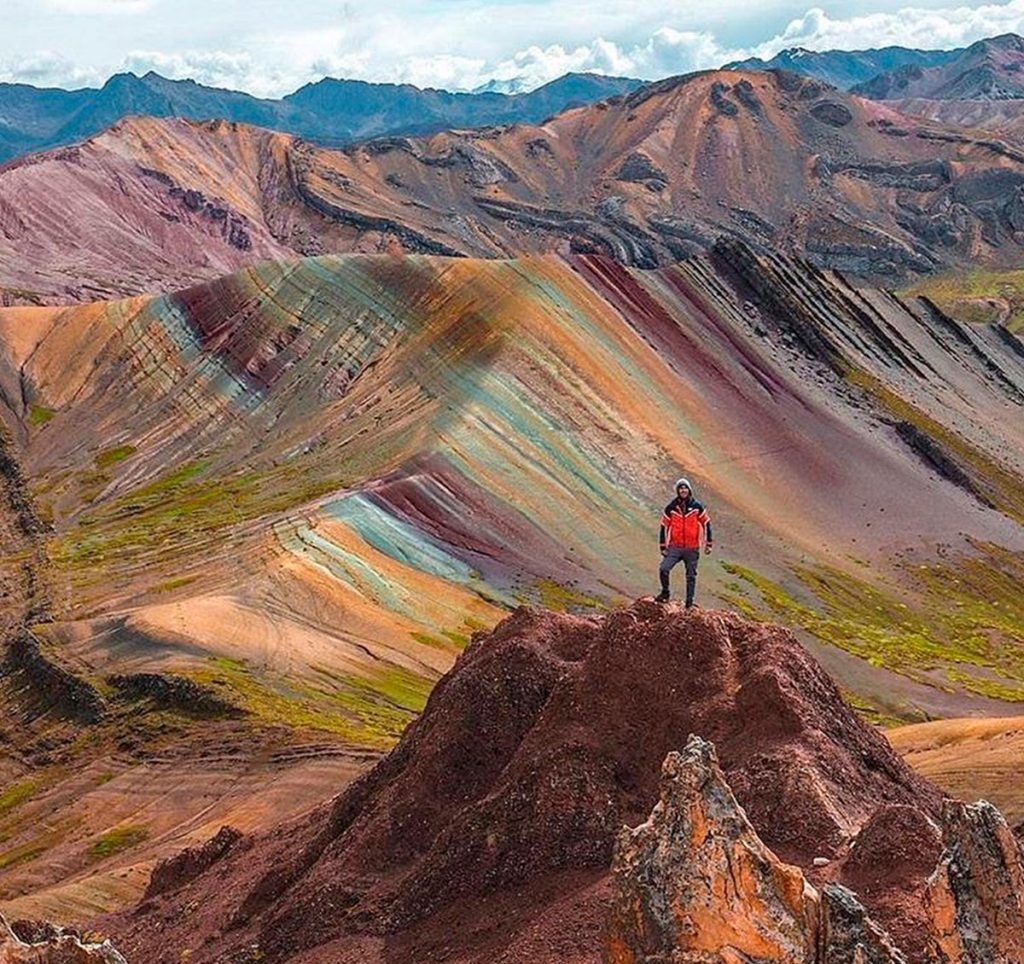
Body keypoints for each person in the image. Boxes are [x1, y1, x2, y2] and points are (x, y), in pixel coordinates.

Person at [656, 477, 713, 607]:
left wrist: (708, 544)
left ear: (689, 490)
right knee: (664, 568)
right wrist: (663, 546)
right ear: (677, 490)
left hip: (692, 548)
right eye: (680, 488)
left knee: (691, 576)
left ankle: (689, 603)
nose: (683, 490)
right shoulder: (671, 508)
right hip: (675, 547)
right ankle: (665, 593)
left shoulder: (697, 506)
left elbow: (706, 523)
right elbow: (664, 526)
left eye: (685, 488)